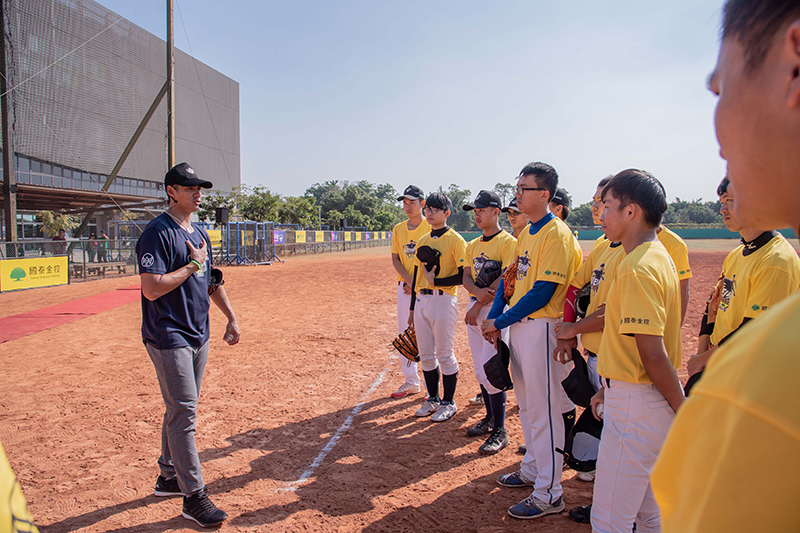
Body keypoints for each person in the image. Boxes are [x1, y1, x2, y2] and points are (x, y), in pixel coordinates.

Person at [652, 3, 800, 523]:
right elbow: (717, 307)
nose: (717, 140)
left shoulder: (770, 379)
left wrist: (714, 363)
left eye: (720, 90)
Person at [136, 162, 241, 528]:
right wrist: (191, 266)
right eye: (189, 187)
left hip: (199, 332)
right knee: (184, 413)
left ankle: (168, 476)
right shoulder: (156, 233)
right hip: (169, 335)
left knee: (180, 408)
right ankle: (194, 497)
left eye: (200, 188)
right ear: (171, 191)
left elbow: (211, 280)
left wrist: (231, 316)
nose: (198, 193)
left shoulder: (199, 232)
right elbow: (151, 288)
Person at [481, 162, 582, 520]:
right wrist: (496, 316)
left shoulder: (556, 233)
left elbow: (544, 291)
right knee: (527, 406)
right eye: (517, 187)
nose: (517, 194)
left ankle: (550, 493)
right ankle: (533, 471)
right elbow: (510, 281)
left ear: (544, 194)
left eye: (524, 189)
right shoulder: (528, 233)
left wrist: (500, 319)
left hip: (542, 327)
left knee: (545, 411)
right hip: (520, 327)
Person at [589, 169, 684, 533]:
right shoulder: (657, 256)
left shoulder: (636, 267)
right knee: (648, 515)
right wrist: (606, 387)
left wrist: (683, 409)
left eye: (608, 206)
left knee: (609, 520)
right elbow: (635, 348)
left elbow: (653, 354)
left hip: (638, 406)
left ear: (631, 212)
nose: (602, 215)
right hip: (640, 399)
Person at [684, 176, 800, 395]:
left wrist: (704, 361)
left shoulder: (776, 260)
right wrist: (700, 359)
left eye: (730, 201)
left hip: (751, 376)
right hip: (722, 363)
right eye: (722, 201)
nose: (722, 209)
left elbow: (753, 331)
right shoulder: (737, 254)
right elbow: (713, 307)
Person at [553, 177, 622, 508]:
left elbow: (617, 311)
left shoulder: (636, 253)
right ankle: (605, 502)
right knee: (604, 432)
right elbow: (575, 288)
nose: (596, 209)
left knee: (619, 439)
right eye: (597, 203)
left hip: (622, 361)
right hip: (595, 356)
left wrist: (573, 328)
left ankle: (615, 509)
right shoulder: (603, 247)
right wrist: (570, 328)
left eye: (602, 203)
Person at [461, 190, 517, 453]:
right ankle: (490, 418)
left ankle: (501, 430)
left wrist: (481, 302)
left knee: (492, 368)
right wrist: (475, 297)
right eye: (475, 210)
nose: (477, 214)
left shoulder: (508, 242)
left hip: (494, 311)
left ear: (496, 211)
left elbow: (506, 277)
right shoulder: (472, 245)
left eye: (482, 210)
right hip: (476, 308)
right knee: (480, 370)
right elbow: (466, 278)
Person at [408, 191, 467, 423]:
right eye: (428, 209)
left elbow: (464, 277)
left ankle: (448, 402)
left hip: (443, 300)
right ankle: (432, 398)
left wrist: (436, 281)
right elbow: (415, 275)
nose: (429, 213)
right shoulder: (422, 241)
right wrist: (412, 309)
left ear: (447, 213)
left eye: (435, 209)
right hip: (422, 300)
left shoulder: (455, 240)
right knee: (426, 355)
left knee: (444, 353)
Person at [389, 185, 430, 399]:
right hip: (404, 289)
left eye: (412, 202)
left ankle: (435, 386)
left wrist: (417, 281)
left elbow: (434, 261)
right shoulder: (398, 229)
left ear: (423, 204)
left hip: (425, 288)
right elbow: (395, 258)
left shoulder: (430, 227)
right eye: (405, 203)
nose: (407, 206)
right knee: (406, 332)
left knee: (429, 333)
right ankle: (412, 381)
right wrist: (408, 279)